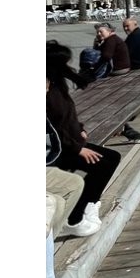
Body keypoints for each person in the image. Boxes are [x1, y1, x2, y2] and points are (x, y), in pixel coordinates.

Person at [48, 41, 120, 239]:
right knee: (101, 166)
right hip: (59, 150)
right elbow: (53, 128)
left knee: (113, 156)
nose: (69, 66)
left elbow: (68, 116)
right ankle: (74, 218)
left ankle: (90, 204)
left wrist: (80, 130)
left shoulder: (57, 85)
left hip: (70, 143)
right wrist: (78, 149)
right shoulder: (48, 91)